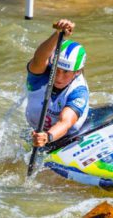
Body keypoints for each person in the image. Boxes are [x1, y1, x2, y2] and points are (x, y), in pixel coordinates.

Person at [26, 19, 89, 148]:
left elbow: (65, 122)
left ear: (76, 72)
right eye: (56, 70)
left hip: (66, 136)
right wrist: (57, 33)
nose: (59, 77)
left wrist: (47, 137)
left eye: (66, 72)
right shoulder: (39, 76)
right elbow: (39, 58)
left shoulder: (79, 90)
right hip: (34, 130)